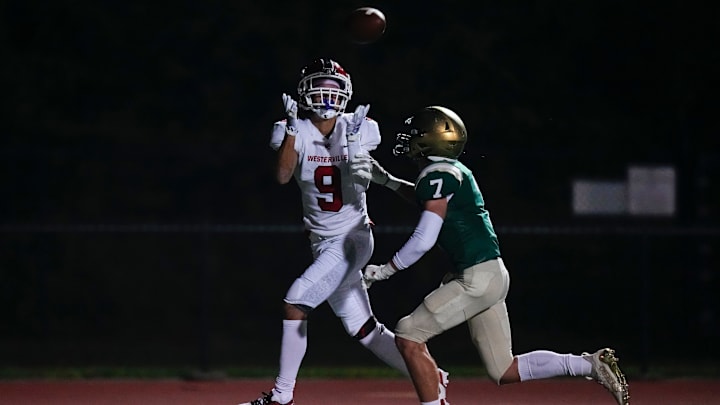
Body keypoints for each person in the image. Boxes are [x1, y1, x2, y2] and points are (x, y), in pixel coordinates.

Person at [355, 106, 630, 405]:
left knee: (408, 335)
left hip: (476, 278)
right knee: (503, 369)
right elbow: (428, 201)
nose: (409, 138)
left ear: (429, 141)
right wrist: (389, 182)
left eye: (416, 133)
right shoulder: (449, 172)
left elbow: (424, 237)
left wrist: (385, 270)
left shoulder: (438, 175)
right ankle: (590, 364)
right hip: (491, 275)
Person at [239, 59, 448, 405]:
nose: (326, 94)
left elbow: (360, 178)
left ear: (346, 93)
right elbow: (282, 175)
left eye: (333, 87)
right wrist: (292, 130)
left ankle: (281, 397)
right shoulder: (292, 128)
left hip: (352, 238)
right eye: (320, 85)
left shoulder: (359, 126)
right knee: (364, 329)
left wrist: (350, 144)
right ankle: (432, 376)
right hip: (323, 242)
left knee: (295, 304)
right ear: (304, 91)